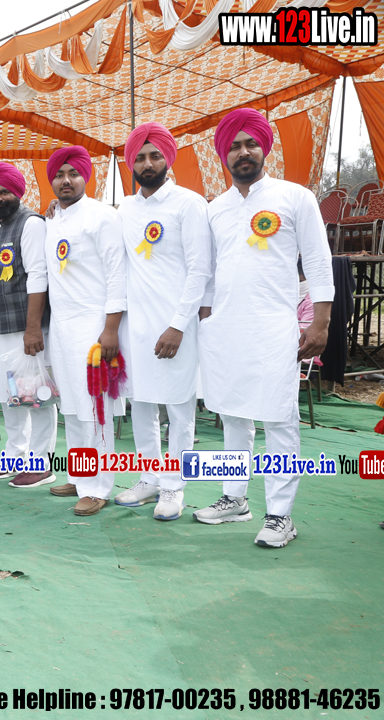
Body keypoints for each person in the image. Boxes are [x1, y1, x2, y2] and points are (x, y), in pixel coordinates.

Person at [194, 108, 333, 547]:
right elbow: (209, 271)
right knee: (232, 415)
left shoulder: (295, 197)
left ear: (264, 147)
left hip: (274, 328)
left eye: (251, 143)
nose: (243, 152)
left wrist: (321, 321)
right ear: (223, 154)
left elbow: (318, 261)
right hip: (225, 330)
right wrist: (206, 318)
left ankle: (280, 516)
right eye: (234, 146)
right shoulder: (215, 208)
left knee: (279, 419)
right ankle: (235, 499)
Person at [112, 123, 210, 521]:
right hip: (134, 327)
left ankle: (174, 486)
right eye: (139, 157)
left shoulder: (189, 203)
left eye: (155, 156)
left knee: (179, 407)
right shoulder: (125, 209)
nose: (147, 164)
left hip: (175, 327)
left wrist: (179, 324)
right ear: (130, 163)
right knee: (141, 403)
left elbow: (200, 270)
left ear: (168, 159)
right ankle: (149, 477)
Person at [43, 147, 126, 515]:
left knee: (95, 408)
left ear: (86, 177)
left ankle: (99, 487)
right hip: (61, 328)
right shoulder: (53, 220)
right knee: (73, 408)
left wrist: (111, 329)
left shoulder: (103, 216)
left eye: (73, 173)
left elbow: (117, 274)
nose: (66, 180)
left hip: (94, 326)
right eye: (59, 174)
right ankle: (80, 477)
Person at [0, 163, 57, 488]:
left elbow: (39, 275)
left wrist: (33, 328)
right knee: (9, 397)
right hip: (1, 330)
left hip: (25, 330)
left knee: (36, 396)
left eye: (4, 192)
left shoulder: (31, 223)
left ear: (18, 192)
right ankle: (15, 455)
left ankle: (42, 463)